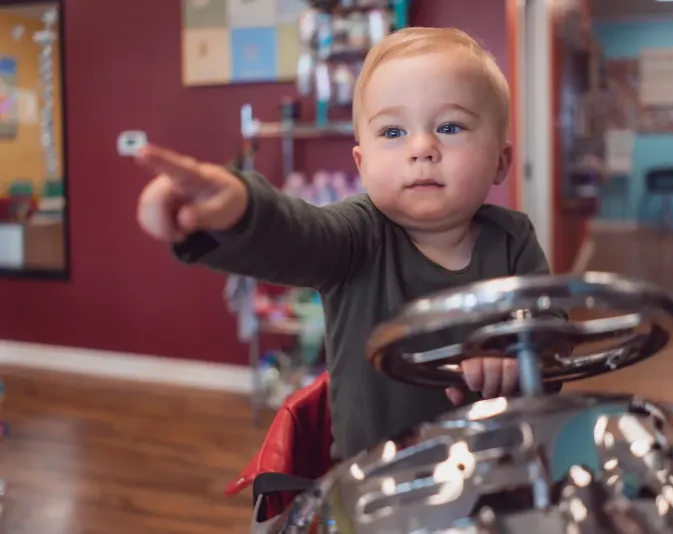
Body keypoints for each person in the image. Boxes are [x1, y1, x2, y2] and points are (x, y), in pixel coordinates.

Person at [135, 27, 560, 462]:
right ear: (362, 162)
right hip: (374, 487)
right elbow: (296, 236)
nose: (422, 148)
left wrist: (517, 351)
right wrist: (237, 211)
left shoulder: (514, 240)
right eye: (393, 132)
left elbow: (551, 336)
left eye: (449, 126)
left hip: (500, 473)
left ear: (500, 161)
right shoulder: (358, 235)